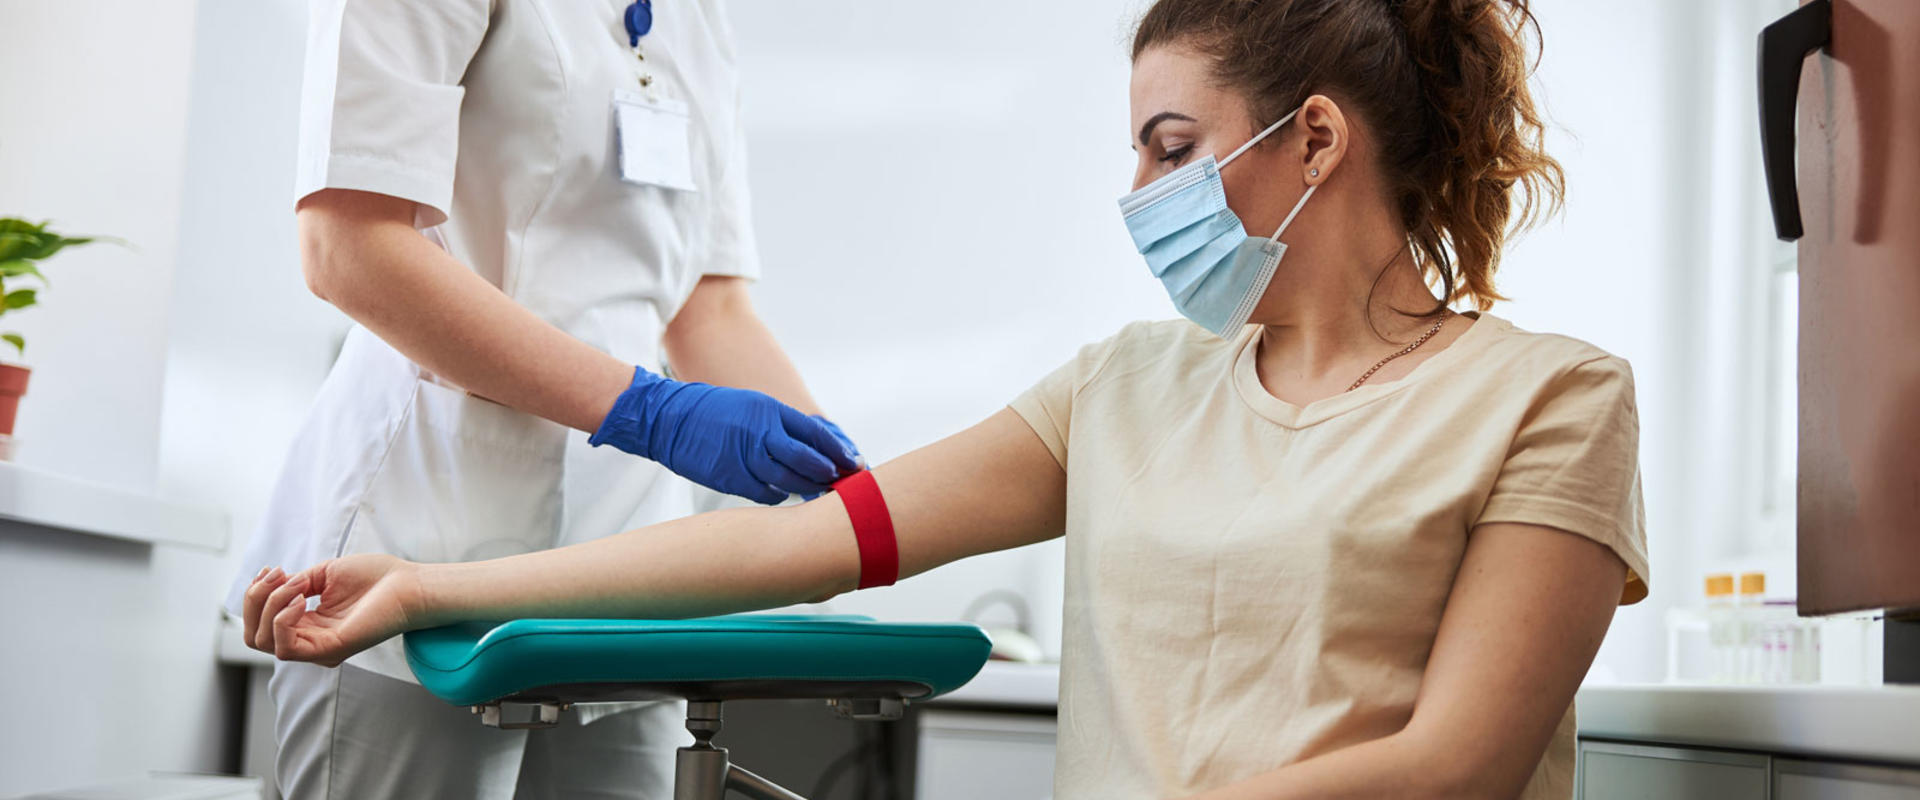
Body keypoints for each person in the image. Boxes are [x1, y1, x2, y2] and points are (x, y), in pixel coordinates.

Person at [243, 0, 1648, 797]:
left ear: (1318, 141)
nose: (1142, 199)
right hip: (431, 481)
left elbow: (1457, 768)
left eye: (1173, 149)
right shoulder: (1128, 389)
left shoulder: (1550, 400)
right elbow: (790, 539)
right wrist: (433, 584)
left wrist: (728, 423)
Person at [222, 0, 863, 797]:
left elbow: (710, 305)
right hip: (425, 522)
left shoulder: (698, 19)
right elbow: (347, 245)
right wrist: (650, 411)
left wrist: (847, 494)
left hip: (627, 571)